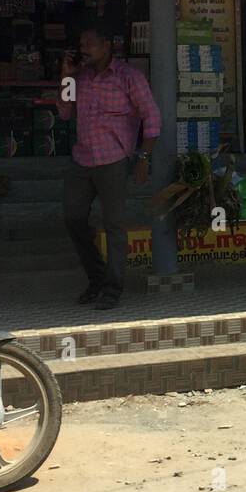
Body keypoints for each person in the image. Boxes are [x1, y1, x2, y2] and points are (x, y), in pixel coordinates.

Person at [58, 22, 161, 310]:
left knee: (114, 225)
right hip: (82, 159)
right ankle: (97, 278)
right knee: (73, 218)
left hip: (113, 160)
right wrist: (66, 76)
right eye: (82, 44)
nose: (83, 49)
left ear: (107, 46)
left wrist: (143, 157)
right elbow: (64, 113)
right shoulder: (80, 77)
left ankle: (113, 288)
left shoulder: (129, 77)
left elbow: (152, 118)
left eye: (90, 43)